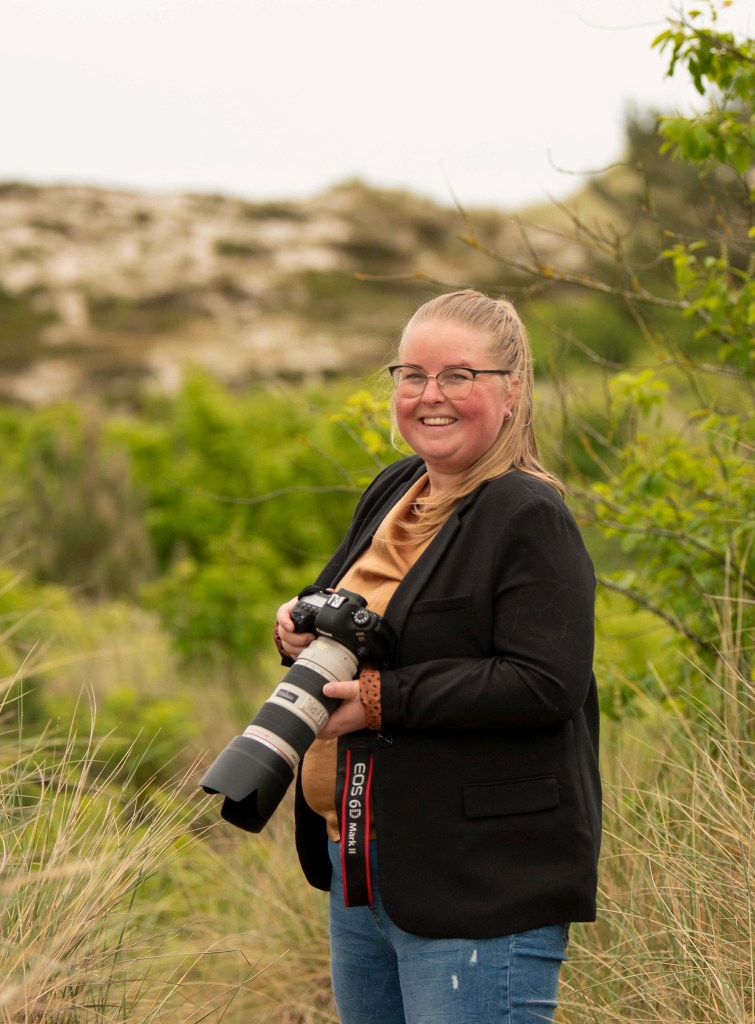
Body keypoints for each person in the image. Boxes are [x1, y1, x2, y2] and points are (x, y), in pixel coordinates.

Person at [273, 289, 601, 1024]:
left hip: (477, 882)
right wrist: (298, 628)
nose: (430, 396)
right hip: (363, 865)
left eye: (459, 375)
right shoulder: (399, 487)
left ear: (512, 390)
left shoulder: (528, 513)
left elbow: (545, 681)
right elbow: (355, 613)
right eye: (412, 375)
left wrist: (381, 701)